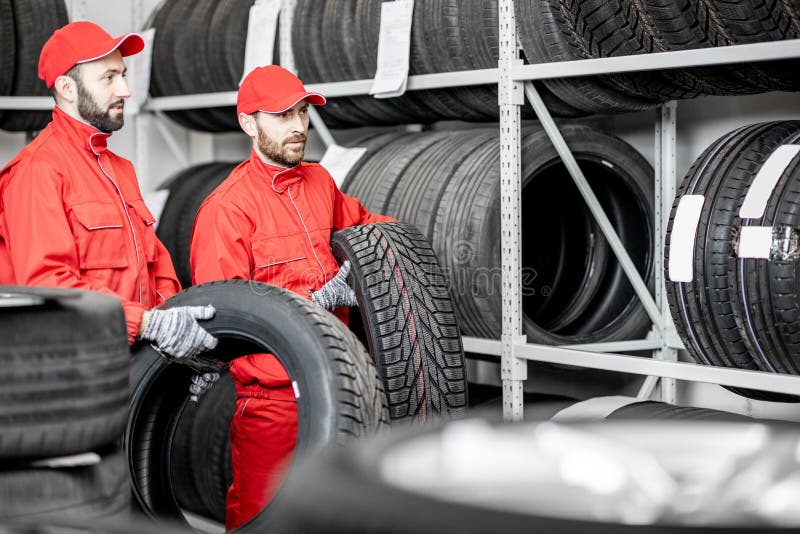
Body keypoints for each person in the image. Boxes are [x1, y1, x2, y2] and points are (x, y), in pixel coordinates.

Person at [190, 64, 395, 529]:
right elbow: (224, 325)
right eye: (283, 116)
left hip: (343, 384)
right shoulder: (226, 210)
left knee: (337, 517)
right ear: (249, 123)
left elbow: (365, 229)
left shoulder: (320, 182)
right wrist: (316, 304)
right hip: (272, 403)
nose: (299, 126)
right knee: (267, 519)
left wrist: (405, 248)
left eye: (302, 112)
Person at [0, 21, 218, 395]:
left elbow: (156, 267)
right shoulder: (37, 172)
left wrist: (178, 337)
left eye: (124, 75)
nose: (126, 90)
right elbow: (49, 287)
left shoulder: (121, 170)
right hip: (74, 379)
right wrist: (146, 324)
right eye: (109, 78)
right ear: (68, 89)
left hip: (134, 370)